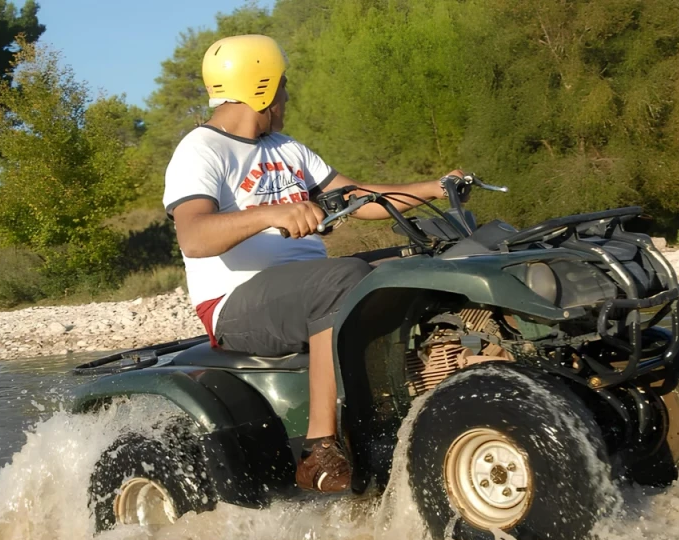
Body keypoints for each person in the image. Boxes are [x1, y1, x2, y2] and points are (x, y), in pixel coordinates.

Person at [163, 34, 463, 493]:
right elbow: (194, 236)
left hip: (306, 285)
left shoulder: (288, 149)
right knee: (343, 279)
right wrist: (273, 213)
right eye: (281, 86)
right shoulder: (201, 150)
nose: (286, 97)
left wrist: (437, 187)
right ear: (260, 88)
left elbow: (361, 198)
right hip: (236, 303)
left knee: (414, 269)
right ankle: (319, 451)